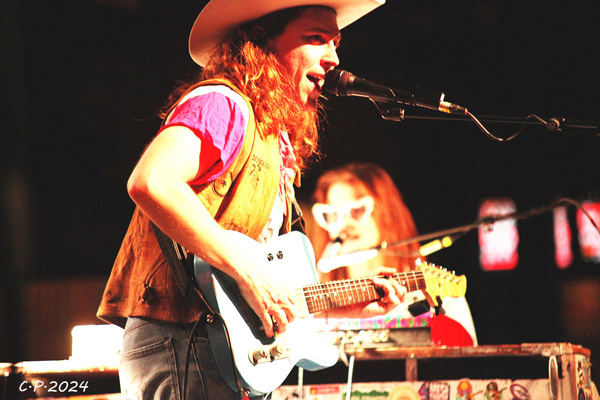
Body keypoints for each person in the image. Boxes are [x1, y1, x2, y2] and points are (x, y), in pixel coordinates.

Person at [96, 1, 406, 399]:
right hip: (185, 342)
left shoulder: (270, 137)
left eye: (336, 42)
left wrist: (333, 304)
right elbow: (151, 181)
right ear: (261, 42)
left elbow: (254, 278)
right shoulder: (222, 104)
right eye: (316, 38)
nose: (334, 58)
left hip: (216, 349)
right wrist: (248, 271)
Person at [310, 162, 478, 346]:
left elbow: (462, 355)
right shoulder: (318, 294)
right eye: (333, 215)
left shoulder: (434, 288)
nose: (344, 224)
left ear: (385, 212)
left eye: (357, 210)